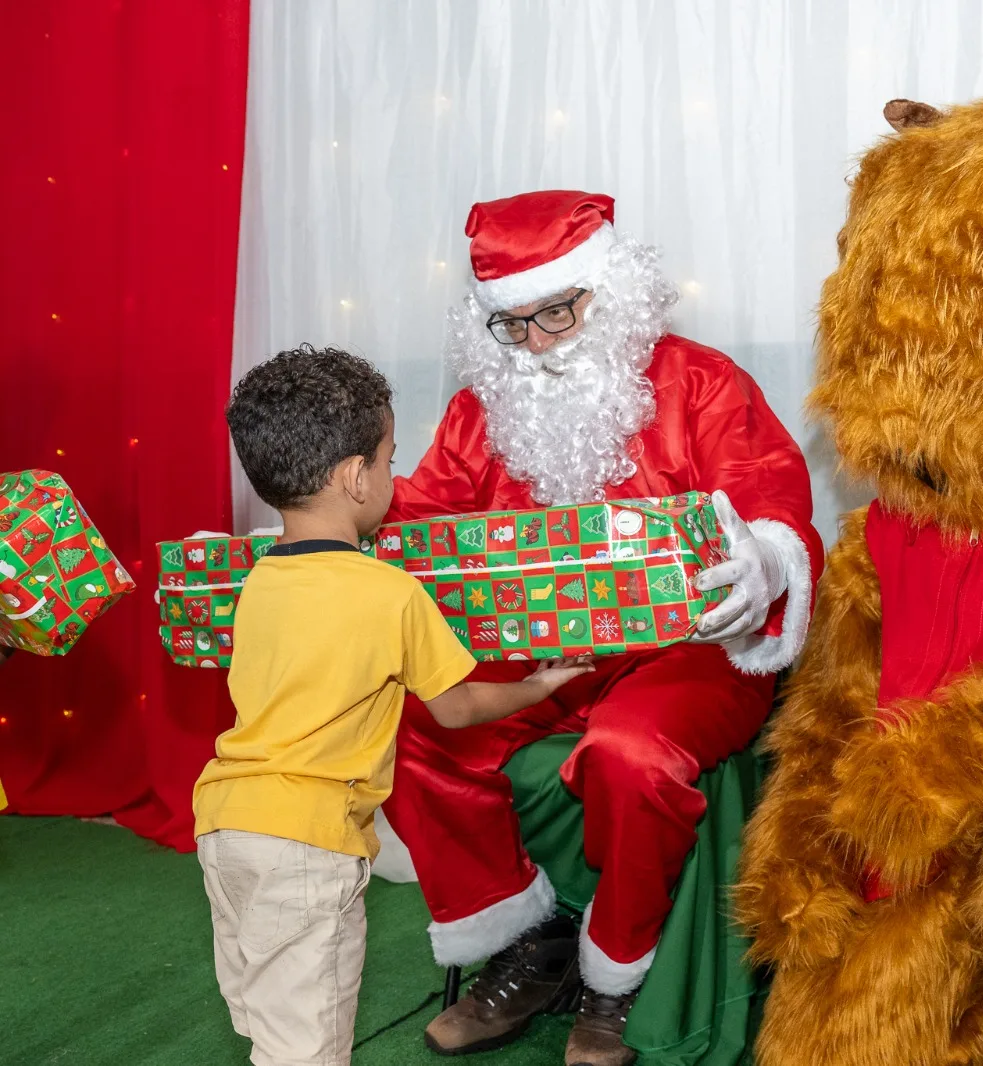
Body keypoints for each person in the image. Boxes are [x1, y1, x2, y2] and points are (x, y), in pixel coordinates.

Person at [383, 190, 823, 1065]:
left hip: (688, 651)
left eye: (559, 310)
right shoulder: (484, 409)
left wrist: (765, 562)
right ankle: (525, 936)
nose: (540, 343)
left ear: (607, 290)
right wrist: (320, 526)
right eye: (514, 325)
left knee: (631, 756)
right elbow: (422, 522)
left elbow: (774, 497)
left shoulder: (700, 381)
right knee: (403, 716)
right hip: (545, 655)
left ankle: (615, 979)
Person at [193, 347, 594, 1066]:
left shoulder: (255, 583)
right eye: (387, 461)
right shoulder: (390, 592)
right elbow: (459, 707)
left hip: (226, 826)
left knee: (266, 1011)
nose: (392, 477)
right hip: (308, 840)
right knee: (308, 1044)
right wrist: (537, 685)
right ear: (355, 477)